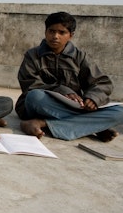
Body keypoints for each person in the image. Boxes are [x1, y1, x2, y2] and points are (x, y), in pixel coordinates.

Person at [16, 11, 123, 141]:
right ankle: (93, 126)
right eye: (51, 31)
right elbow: (30, 85)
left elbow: (102, 83)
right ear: (45, 32)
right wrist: (60, 89)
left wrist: (93, 98)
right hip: (44, 105)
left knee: (120, 112)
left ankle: (42, 123)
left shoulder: (80, 57)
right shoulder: (32, 55)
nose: (55, 36)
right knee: (34, 97)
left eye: (62, 32)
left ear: (71, 36)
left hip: (74, 107)